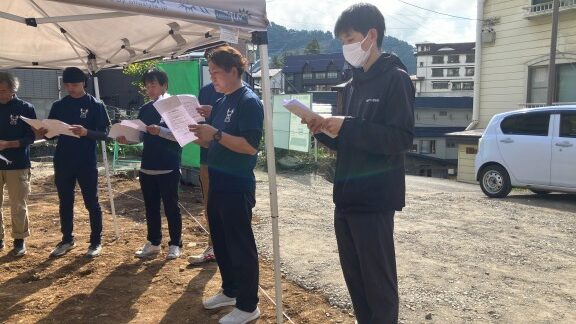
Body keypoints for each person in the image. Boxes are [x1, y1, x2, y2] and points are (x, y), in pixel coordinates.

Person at [302, 4, 415, 324]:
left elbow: (401, 138)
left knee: (378, 285)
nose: (345, 48)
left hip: (376, 199)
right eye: (341, 41)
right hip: (347, 196)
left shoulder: (396, 79)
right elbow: (348, 139)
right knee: (356, 282)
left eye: (349, 38)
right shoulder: (351, 84)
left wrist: (347, 125)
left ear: (371, 35)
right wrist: (322, 131)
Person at [189, 45, 264, 324]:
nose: (213, 79)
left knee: (240, 244)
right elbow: (210, 139)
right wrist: (190, 130)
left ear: (234, 71)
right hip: (219, 180)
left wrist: (215, 134)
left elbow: (249, 147)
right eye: (211, 73)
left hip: (237, 183)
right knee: (220, 240)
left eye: (217, 72)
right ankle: (230, 290)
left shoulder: (248, 101)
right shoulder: (222, 102)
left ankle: (248, 305)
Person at [43, 67, 111, 258]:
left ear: (84, 83)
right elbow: (50, 133)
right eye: (67, 85)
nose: (71, 88)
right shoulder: (59, 105)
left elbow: (106, 134)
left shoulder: (96, 105)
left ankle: (96, 241)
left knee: (92, 202)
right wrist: (44, 132)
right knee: (65, 201)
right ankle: (67, 239)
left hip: (86, 161)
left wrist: (86, 132)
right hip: (63, 160)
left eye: (75, 84)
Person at [121, 69, 184, 260]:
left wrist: (161, 131)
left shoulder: (174, 107)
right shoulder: (146, 109)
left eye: (153, 85)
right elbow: (140, 135)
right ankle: (154, 242)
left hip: (168, 165)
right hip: (148, 165)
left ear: (164, 86)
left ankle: (175, 244)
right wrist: (127, 140)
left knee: (171, 206)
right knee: (151, 207)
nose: (150, 89)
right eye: (147, 86)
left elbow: (181, 135)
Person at [0, 71, 36, 257]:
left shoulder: (25, 108)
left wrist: (9, 144)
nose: (0, 94)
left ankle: (19, 239)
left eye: (3, 91)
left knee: (18, 203)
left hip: (18, 163)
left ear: (13, 90)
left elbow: (31, 136)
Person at [187, 81, 221, 265]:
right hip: (206, 158)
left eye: (217, 68)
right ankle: (212, 246)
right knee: (209, 205)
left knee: (228, 208)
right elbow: (198, 121)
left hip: (228, 160)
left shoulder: (241, 94)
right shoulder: (206, 91)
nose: (214, 73)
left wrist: (214, 113)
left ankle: (227, 248)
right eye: (212, 69)